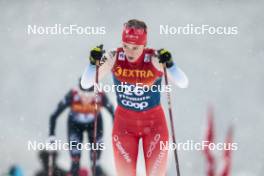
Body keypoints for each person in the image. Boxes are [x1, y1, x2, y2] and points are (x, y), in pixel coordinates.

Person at [81, 19, 189, 176]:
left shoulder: (153, 58)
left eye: (135, 48)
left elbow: (183, 82)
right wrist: (92, 63)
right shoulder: (114, 56)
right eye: (126, 46)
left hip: (154, 126)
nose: (129, 52)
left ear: (144, 45)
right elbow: (86, 83)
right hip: (124, 127)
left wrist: (170, 64)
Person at [49, 80, 114, 176]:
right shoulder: (72, 95)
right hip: (75, 126)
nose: (86, 99)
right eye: (82, 94)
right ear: (78, 91)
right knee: (75, 161)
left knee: (95, 162)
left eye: (89, 95)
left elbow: (115, 114)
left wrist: (116, 133)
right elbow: (54, 115)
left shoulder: (100, 95)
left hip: (94, 125)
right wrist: (52, 135)